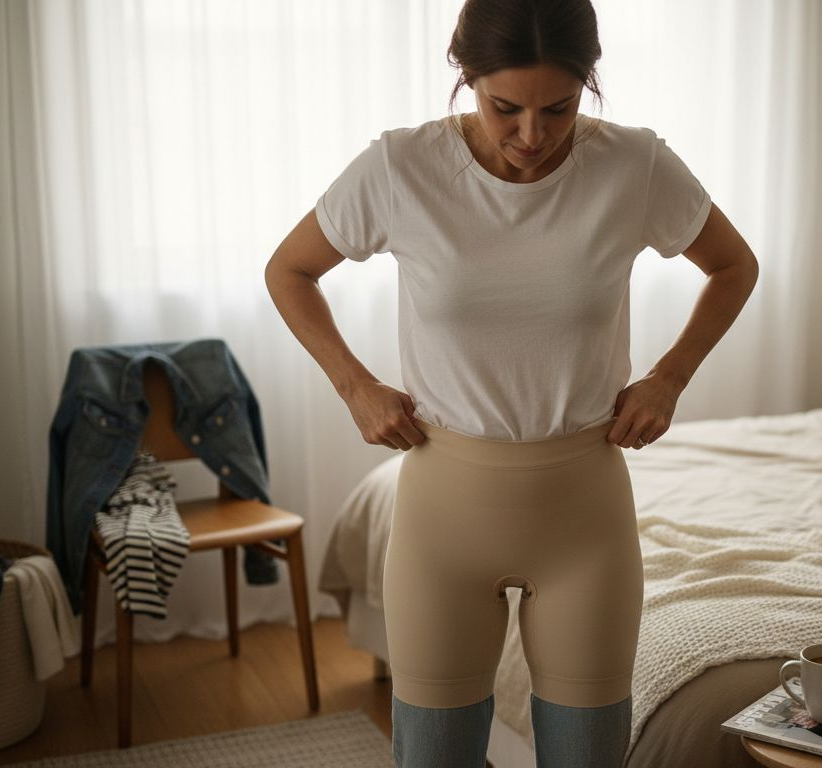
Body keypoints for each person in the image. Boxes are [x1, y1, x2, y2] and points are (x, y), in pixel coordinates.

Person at [265, 0, 757, 764]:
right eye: (506, 108)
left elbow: (735, 266)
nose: (532, 134)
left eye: (558, 108)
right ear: (467, 78)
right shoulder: (402, 167)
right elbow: (289, 270)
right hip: (441, 519)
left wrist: (669, 377)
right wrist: (354, 384)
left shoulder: (634, 165)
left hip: (585, 519)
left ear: (587, 85)